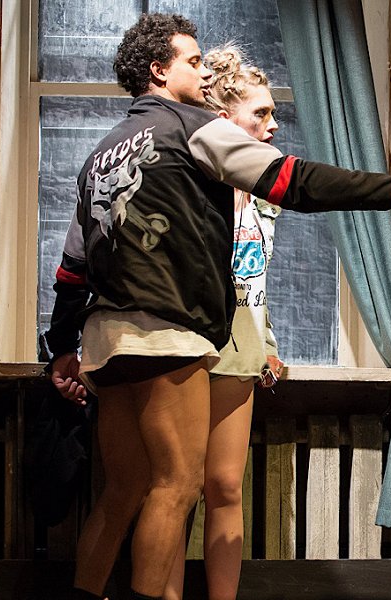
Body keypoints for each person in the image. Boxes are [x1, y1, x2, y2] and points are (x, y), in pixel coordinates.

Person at [43, 13, 391, 600]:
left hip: (105, 340)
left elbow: (71, 270)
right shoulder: (193, 127)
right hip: (166, 332)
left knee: (123, 489)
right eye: (193, 61)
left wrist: (61, 349)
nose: (203, 73)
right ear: (159, 70)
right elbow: (290, 180)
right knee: (177, 485)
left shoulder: (100, 154)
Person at [162, 44, 284, 600]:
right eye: (261, 113)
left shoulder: (265, 195)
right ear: (222, 117)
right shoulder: (188, 182)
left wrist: (267, 340)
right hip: (186, 340)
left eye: (272, 112)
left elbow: (256, 276)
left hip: (241, 346)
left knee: (225, 485)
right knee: (176, 487)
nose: (272, 124)